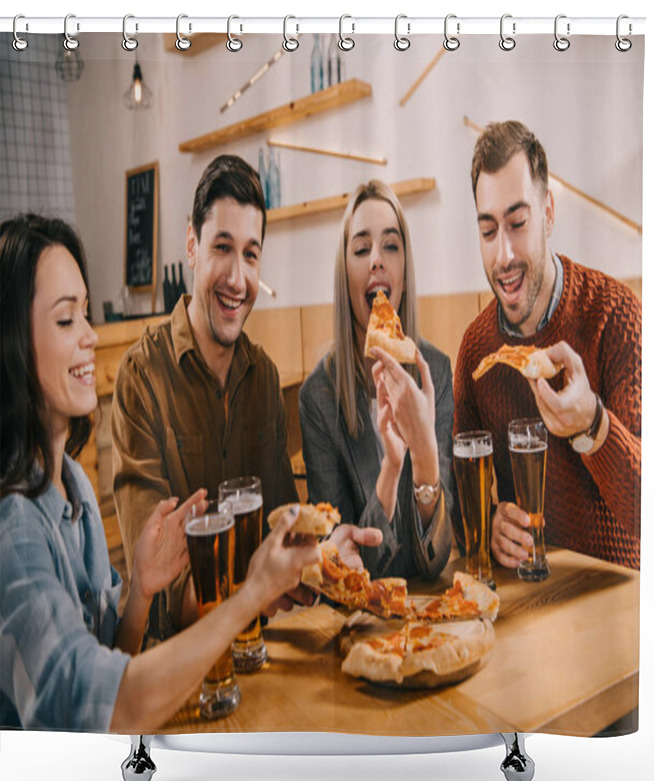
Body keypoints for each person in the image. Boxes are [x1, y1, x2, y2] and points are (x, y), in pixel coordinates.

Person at [0, 214, 321, 731]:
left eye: (86, 314)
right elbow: (111, 710)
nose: (90, 336)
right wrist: (247, 599)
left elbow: (114, 657)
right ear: (11, 343)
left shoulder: (72, 485)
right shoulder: (12, 527)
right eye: (66, 321)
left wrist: (142, 593)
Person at [111, 155, 379, 643]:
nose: (238, 279)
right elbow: (159, 597)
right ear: (191, 246)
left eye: (251, 255)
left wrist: (322, 555)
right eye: (222, 248)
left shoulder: (264, 379)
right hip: (177, 676)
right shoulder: (140, 378)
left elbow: (284, 533)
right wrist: (260, 587)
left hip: (263, 653)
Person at [454, 121, 641, 570]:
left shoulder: (616, 315)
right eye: (487, 231)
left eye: (518, 223)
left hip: (615, 609)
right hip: (528, 608)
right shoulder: (476, 353)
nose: (503, 256)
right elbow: (463, 519)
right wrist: (488, 528)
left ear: (549, 213)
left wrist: (594, 425)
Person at [299, 180, 454, 579]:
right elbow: (345, 568)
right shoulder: (317, 397)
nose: (376, 261)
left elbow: (438, 555)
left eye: (390, 245)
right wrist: (392, 468)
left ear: (404, 269)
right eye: (361, 248)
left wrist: (423, 456)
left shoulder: (434, 371)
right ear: (344, 272)